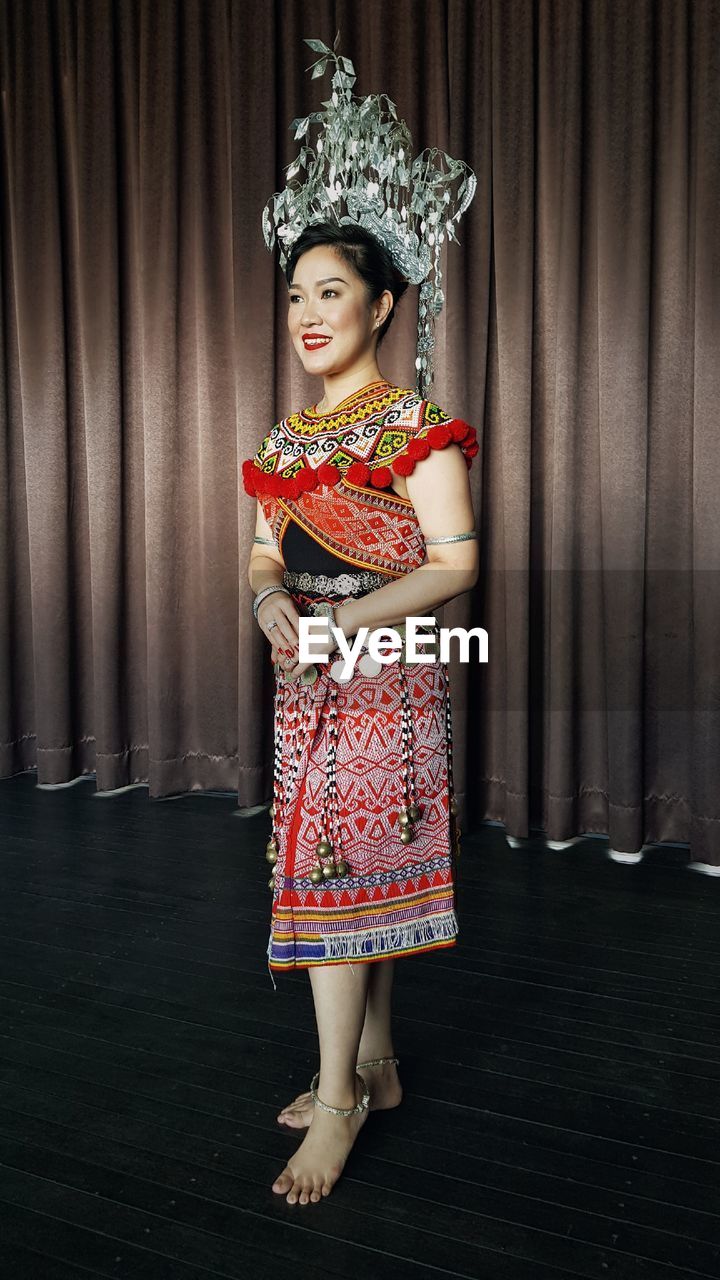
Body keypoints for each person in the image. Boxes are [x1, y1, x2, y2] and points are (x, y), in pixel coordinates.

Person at [243, 219, 479, 1206]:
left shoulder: (413, 426)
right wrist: (268, 600)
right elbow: (263, 551)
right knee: (336, 859)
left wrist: (344, 617)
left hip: (385, 671)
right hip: (306, 673)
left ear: (382, 305)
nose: (307, 313)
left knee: (341, 866)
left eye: (329, 291)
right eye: (296, 293)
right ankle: (374, 1062)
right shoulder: (285, 439)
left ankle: (337, 1096)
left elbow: (455, 563)